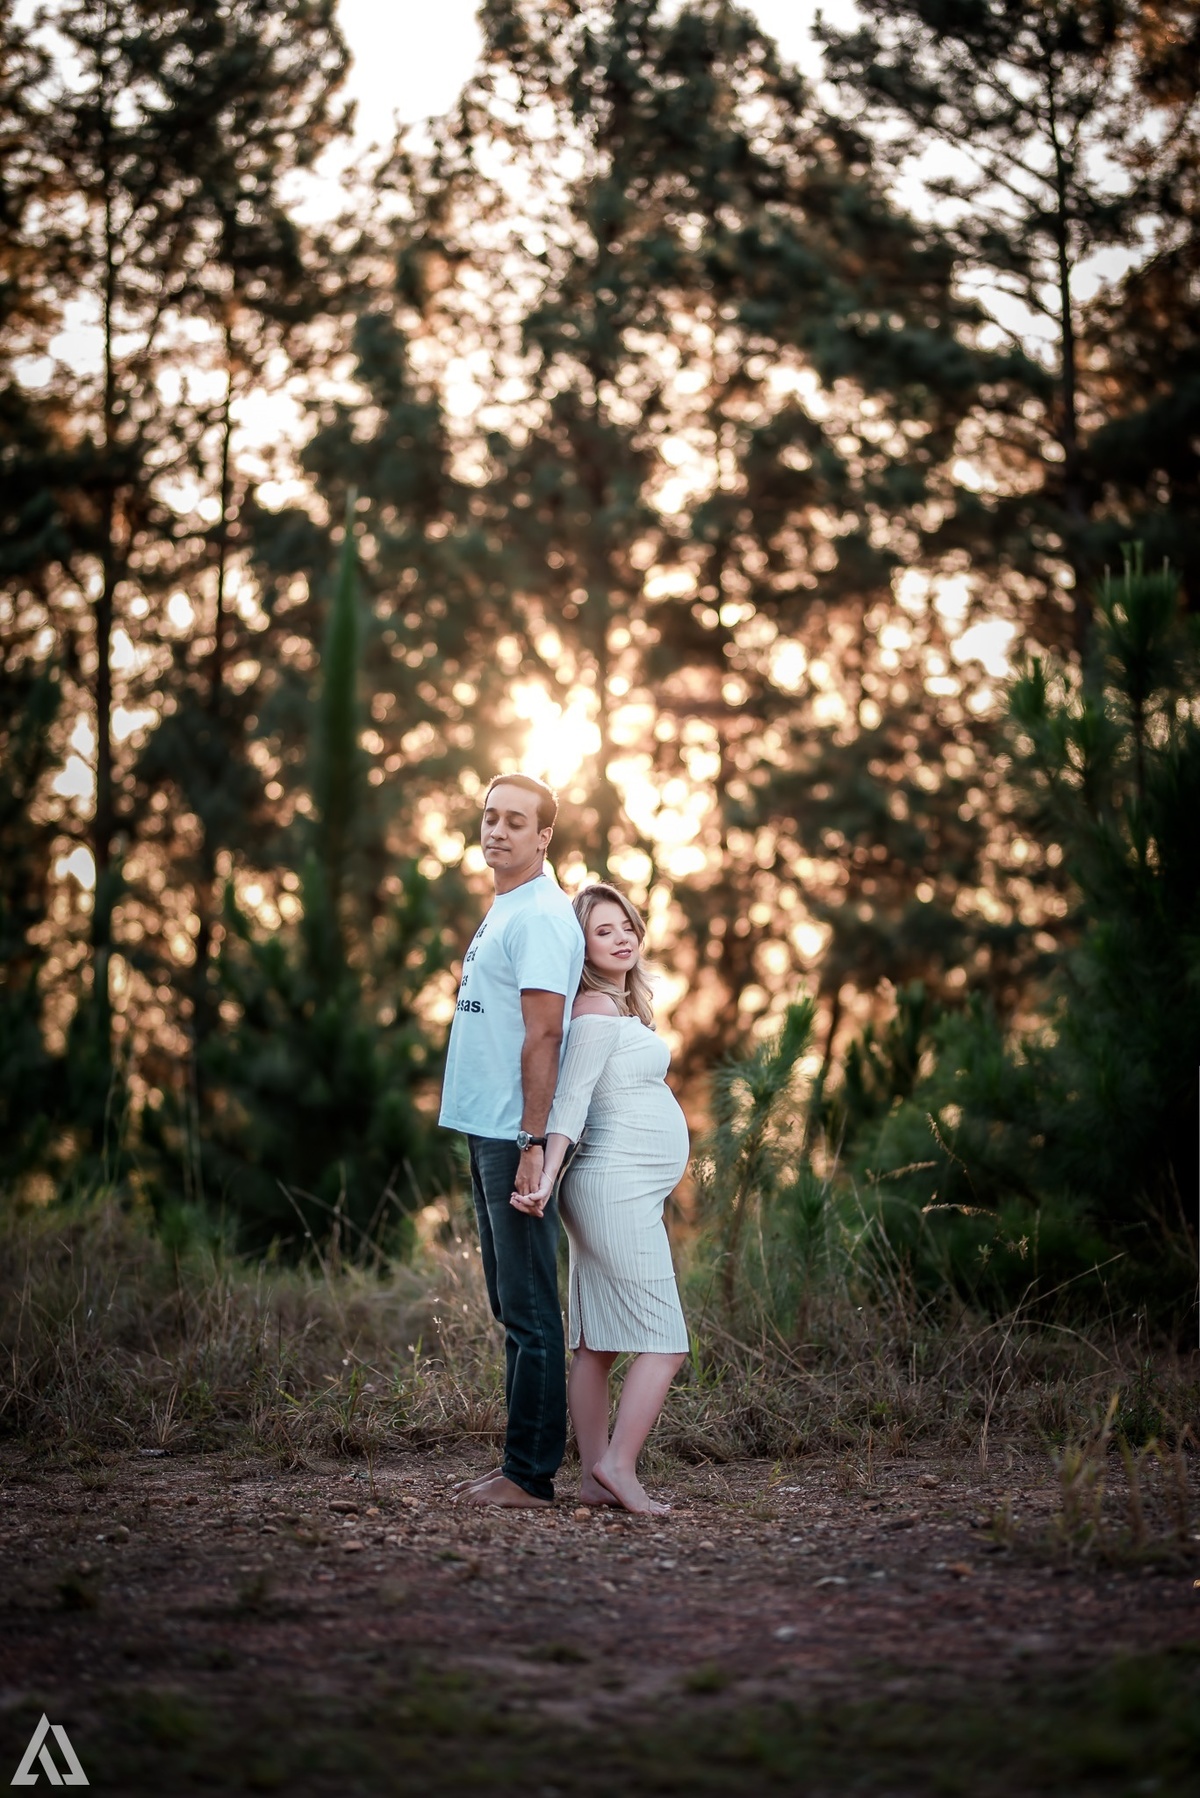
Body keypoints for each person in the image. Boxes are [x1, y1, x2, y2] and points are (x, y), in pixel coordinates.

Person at [511, 883, 689, 1515]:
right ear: (580, 948)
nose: (621, 938)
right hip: (611, 1187)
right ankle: (618, 1464)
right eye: (602, 930)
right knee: (665, 1343)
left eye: (627, 927)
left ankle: (592, 1478)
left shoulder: (618, 1009)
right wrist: (546, 1174)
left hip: (623, 1188)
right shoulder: (591, 1011)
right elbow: (571, 1102)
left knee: (597, 1345)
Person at [439, 774, 584, 1508]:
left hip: (512, 1133)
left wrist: (532, 1142)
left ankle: (530, 1475)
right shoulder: (508, 908)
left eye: (516, 821)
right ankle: (517, 1465)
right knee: (510, 1304)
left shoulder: (542, 917)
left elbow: (545, 1032)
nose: (497, 831)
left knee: (529, 1309)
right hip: (487, 1126)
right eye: (490, 817)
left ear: (544, 836)